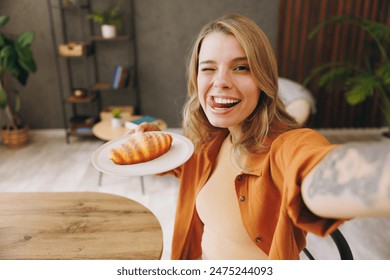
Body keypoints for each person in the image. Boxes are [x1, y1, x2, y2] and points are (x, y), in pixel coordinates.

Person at [129, 13, 390, 260]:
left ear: (263, 79)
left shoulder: (287, 146)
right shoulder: (214, 140)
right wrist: (158, 145)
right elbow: (189, 167)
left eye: (241, 67)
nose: (220, 81)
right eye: (208, 68)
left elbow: (316, 171)